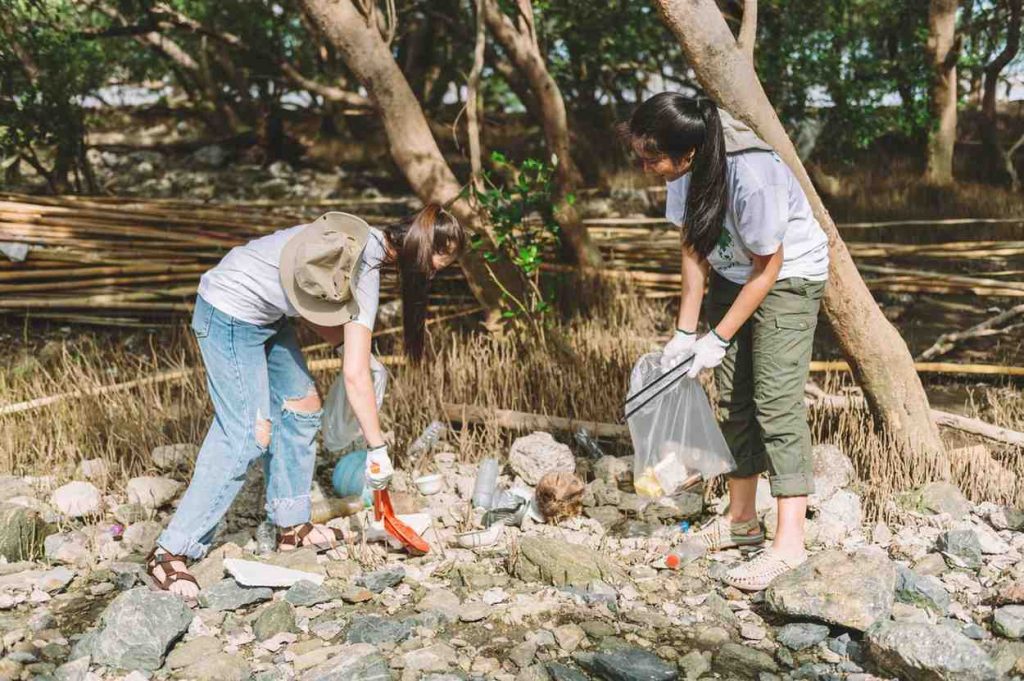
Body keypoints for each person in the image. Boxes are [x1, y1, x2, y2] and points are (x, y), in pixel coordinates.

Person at [146, 204, 465, 599]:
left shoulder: (361, 243)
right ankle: (170, 552)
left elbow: (307, 301)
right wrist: (377, 447)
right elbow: (353, 376)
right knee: (247, 435)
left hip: (267, 315)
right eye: (438, 261)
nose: (435, 271)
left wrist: (359, 352)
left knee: (302, 405)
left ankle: (292, 524)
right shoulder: (361, 266)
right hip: (227, 311)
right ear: (420, 246)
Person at [624, 93, 829, 591]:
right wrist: (684, 332)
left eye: (653, 158)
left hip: (787, 276)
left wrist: (717, 338)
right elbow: (694, 246)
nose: (647, 167)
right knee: (734, 399)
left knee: (775, 403)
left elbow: (770, 266)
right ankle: (741, 522)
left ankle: (789, 543)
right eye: (640, 157)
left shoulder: (751, 174)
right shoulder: (683, 171)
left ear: (689, 151)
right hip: (733, 273)